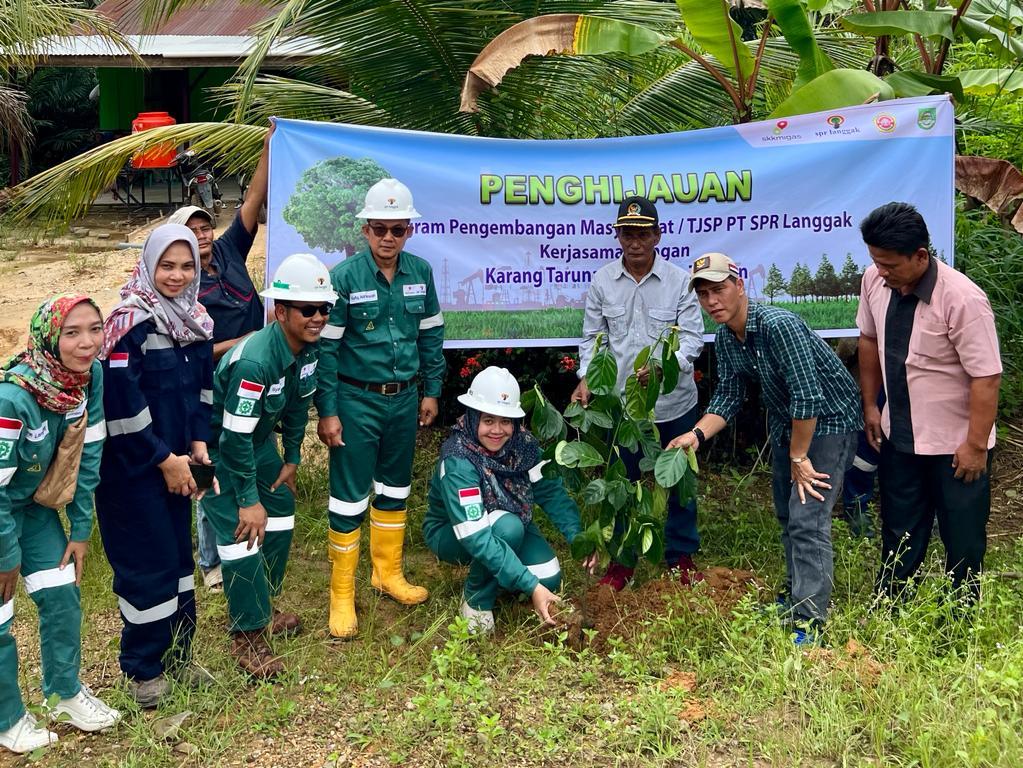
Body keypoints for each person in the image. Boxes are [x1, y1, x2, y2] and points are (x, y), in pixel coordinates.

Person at [667, 252, 860, 641]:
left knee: (807, 519)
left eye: (719, 290)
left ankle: (809, 621)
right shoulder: (726, 337)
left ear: (740, 286)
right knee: (787, 515)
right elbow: (728, 395)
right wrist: (696, 435)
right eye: (703, 295)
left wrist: (800, 457)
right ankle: (793, 596)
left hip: (828, 420)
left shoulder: (777, 325)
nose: (712, 302)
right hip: (788, 423)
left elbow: (808, 397)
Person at [315, 178, 445, 640]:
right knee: (348, 496)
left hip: (405, 399)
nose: (388, 237)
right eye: (379, 228)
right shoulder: (344, 278)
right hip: (355, 400)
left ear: (409, 229)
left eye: (398, 229)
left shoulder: (421, 273)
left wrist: (432, 391)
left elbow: (431, 335)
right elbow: (325, 351)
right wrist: (326, 411)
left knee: (395, 488)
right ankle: (342, 592)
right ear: (365, 231)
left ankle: (387, 573)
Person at [857, 202, 1001, 602]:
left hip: (955, 446)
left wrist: (975, 446)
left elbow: (986, 376)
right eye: (876, 262)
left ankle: (958, 621)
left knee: (963, 537)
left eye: (890, 265)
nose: (881, 273)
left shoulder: (963, 300)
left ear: (921, 256)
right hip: (899, 435)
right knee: (899, 528)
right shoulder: (874, 280)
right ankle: (892, 607)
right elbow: (868, 339)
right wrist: (871, 406)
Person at [95, 224, 215, 707]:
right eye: (167, 265)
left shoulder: (196, 321)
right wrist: (163, 458)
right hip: (133, 472)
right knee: (147, 566)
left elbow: (203, 392)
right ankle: (144, 670)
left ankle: (179, 658)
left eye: (187, 266)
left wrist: (199, 443)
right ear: (148, 264)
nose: (177, 275)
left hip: (180, 465)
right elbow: (122, 406)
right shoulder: (129, 325)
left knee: (179, 564)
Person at [203, 253, 337, 678]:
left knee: (279, 515)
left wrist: (293, 458)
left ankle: (261, 604)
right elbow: (232, 437)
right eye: (307, 309)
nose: (317, 317)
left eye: (324, 308)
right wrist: (246, 499)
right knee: (242, 533)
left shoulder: (310, 350)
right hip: (217, 450)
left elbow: (298, 406)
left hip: (256, 443)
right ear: (280, 311)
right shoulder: (255, 361)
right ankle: (246, 636)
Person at [0, 295, 120, 754]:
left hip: (31, 510)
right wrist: (7, 558)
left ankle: (65, 695)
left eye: (94, 329)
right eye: (72, 333)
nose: (87, 343)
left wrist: (81, 529)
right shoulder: (13, 398)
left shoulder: (89, 379)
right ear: (50, 338)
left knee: (63, 595)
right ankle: (8, 719)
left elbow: (89, 452)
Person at [571, 196, 704, 591]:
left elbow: (693, 341)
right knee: (622, 483)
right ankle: (623, 561)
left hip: (674, 402)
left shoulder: (681, 282)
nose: (635, 242)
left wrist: (664, 368)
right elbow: (593, 338)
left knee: (680, 483)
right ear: (618, 236)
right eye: (627, 233)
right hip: (623, 407)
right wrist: (586, 377)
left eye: (643, 233)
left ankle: (680, 555)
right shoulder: (602, 280)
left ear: (657, 236)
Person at [170, 123, 274, 591]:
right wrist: (248, 341)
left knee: (246, 448)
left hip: (249, 374)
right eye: (191, 231)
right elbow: (188, 349)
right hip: (211, 382)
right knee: (209, 463)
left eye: (205, 224)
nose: (202, 233)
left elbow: (252, 199)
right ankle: (211, 560)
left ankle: (245, 539)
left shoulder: (231, 249)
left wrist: (270, 148)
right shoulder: (180, 285)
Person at [424, 367, 595, 632]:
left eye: (505, 421)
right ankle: (476, 601)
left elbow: (550, 492)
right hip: (455, 534)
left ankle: (503, 572)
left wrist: (577, 537)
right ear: (472, 418)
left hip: (508, 521)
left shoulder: (524, 445)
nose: (497, 430)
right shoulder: (458, 458)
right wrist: (530, 586)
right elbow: (475, 536)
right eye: (488, 420)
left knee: (548, 577)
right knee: (508, 530)